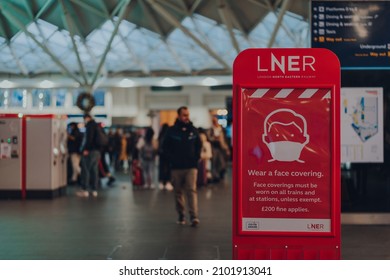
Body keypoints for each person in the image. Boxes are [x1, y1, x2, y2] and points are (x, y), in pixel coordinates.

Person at [162, 106, 202, 227]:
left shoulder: (193, 130)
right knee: (178, 192)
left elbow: (198, 146)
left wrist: (195, 159)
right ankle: (181, 215)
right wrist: (171, 160)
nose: (186, 117)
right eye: (184, 115)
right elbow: (165, 147)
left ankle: (194, 216)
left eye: (188, 115)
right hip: (176, 167)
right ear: (179, 116)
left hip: (191, 167)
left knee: (191, 190)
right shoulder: (171, 131)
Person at [78, 114, 101, 197]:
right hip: (97, 151)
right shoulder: (97, 126)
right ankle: (94, 190)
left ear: (87, 118)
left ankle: (85, 189)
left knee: (86, 169)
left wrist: (86, 149)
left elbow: (89, 139)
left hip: (90, 151)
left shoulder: (90, 126)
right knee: (94, 170)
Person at [158, 123, 173, 191]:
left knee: (161, 168)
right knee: (169, 168)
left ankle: (161, 182)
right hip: (169, 155)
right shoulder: (169, 135)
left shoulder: (160, 136)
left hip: (162, 155)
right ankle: (168, 182)